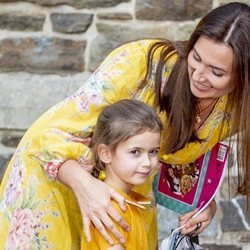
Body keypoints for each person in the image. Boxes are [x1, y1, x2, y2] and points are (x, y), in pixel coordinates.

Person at [0, 2, 249, 249]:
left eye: (216, 72)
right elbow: (46, 137)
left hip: (123, 201)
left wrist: (203, 202)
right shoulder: (138, 64)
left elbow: (177, 153)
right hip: (54, 186)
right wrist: (84, 185)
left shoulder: (238, 106)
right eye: (195, 57)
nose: (198, 75)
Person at [81, 99, 162, 249]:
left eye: (153, 152)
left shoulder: (127, 202)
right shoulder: (110, 208)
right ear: (105, 154)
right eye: (135, 152)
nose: (147, 162)